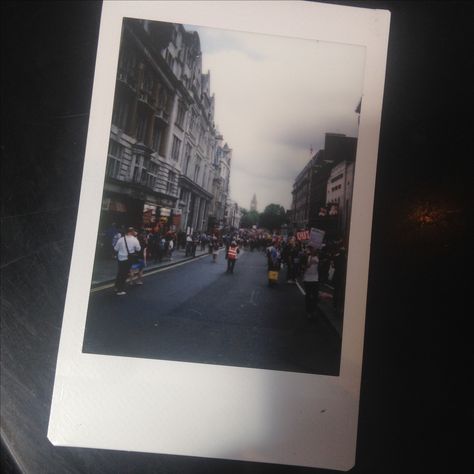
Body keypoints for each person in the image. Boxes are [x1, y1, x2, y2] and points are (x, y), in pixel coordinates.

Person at [114, 227, 141, 295]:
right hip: (128, 259)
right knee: (124, 274)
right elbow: (138, 249)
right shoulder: (135, 239)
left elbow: (116, 249)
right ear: (132, 232)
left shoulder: (121, 239)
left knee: (120, 272)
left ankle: (116, 287)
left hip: (120, 258)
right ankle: (120, 290)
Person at [301, 244, 320, 320]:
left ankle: (314, 311)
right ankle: (309, 312)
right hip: (307, 279)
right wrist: (307, 265)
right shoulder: (306, 257)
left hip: (315, 279)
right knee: (308, 296)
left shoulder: (319, 257)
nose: (313, 250)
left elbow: (322, 267)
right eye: (312, 249)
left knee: (315, 296)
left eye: (314, 249)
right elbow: (302, 267)